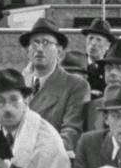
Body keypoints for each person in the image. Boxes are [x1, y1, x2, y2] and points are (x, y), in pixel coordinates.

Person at [0, 67, 71, 168]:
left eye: (14, 100)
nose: (8, 108)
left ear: (26, 100)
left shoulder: (46, 139)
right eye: (0, 101)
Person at [19, 17, 90, 153]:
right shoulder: (19, 82)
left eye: (46, 42)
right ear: (28, 51)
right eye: (35, 43)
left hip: (48, 162)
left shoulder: (76, 86)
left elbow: (70, 133)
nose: (39, 48)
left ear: (59, 52)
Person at [82, 18, 115, 96]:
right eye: (91, 38)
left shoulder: (111, 68)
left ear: (108, 45)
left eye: (98, 40)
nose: (93, 43)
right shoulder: (77, 63)